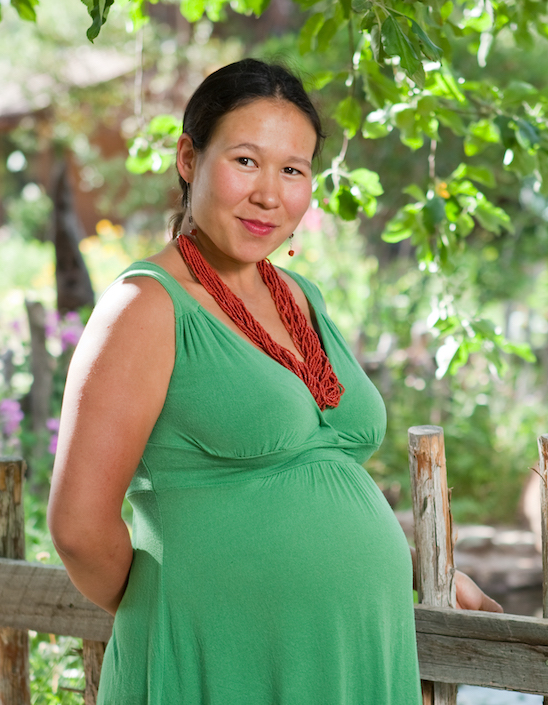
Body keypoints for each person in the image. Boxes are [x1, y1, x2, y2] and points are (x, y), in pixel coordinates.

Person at [47, 58, 502, 705]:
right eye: (245, 161)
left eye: (294, 170)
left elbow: (316, 469)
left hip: (356, 647)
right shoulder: (145, 306)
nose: (270, 193)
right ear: (188, 158)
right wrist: (191, 604)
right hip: (223, 657)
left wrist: (403, 564)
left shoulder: (301, 294)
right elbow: (78, 526)